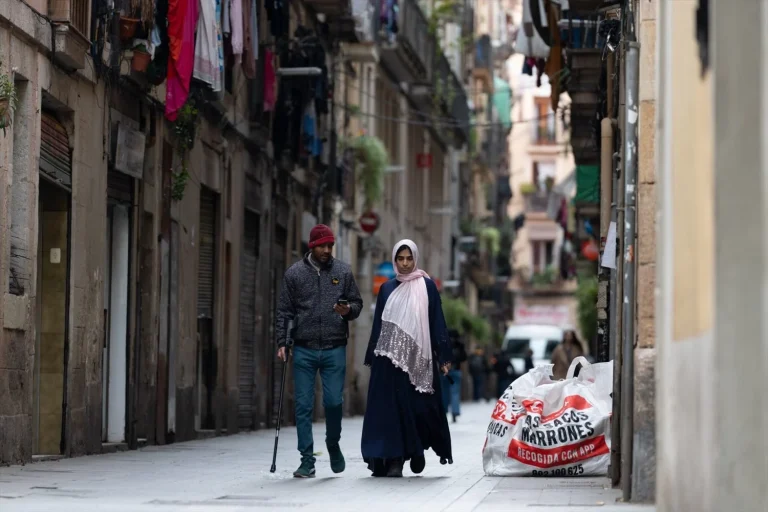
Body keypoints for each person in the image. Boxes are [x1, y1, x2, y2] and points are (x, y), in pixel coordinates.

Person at [275, 224, 363, 478]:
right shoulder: (294, 274)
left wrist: (348, 311)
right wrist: (283, 342)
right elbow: (284, 311)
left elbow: (357, 303)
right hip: (303, 348)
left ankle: (333, 444)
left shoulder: (342, 272)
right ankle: (307, 460)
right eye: (322, 246)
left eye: (330, 246)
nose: (327, 250)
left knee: (334, 402)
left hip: (335, 346)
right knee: (303, 405)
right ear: (312, 246)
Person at [361, 239, 453, 478]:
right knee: (390, 412)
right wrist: (372, 354)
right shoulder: (387, 288)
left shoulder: (427, 286)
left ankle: (416, 451)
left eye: (408, 258)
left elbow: (436, 321)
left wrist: (444, 357)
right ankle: (395, 459)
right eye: (400, 258)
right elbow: (379, 325)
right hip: (388, 362)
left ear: (415, 259)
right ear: (394, 259)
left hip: (417, 362)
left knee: (419, 409)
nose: (404, 263)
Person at [442, 331, 467, 422]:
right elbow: (464, 357)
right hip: (456, 370)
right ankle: (455, 412)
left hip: (445, 371)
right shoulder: (460, 345)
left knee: (444, 392)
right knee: (455, 392)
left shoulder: (444, 343)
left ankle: (443, 411)